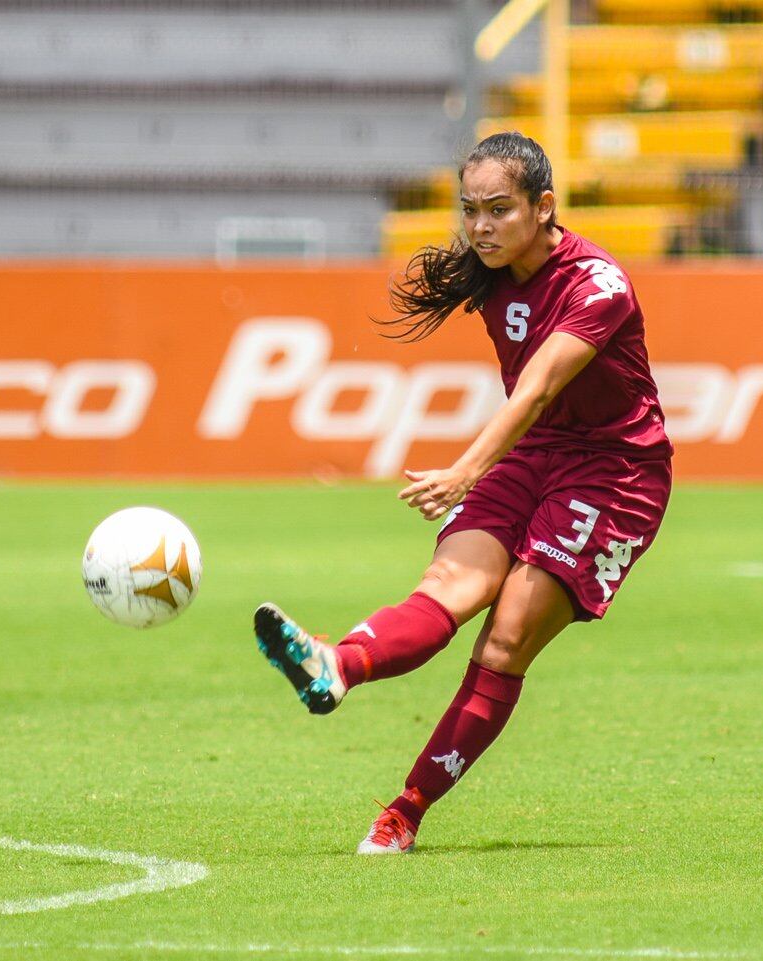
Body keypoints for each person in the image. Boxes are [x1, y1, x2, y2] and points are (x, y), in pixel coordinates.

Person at [253, 131, 673, 854]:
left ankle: (405, 810)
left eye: (498, 210)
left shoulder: (597, 285)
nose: (480, 227)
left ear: (545, 207)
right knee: (449, 583)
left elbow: (539, 386)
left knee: (505, 637)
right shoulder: (489, 268)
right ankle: (336, 664)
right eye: (469, 210)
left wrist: (467, 469)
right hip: (536, 455)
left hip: (614, 472)